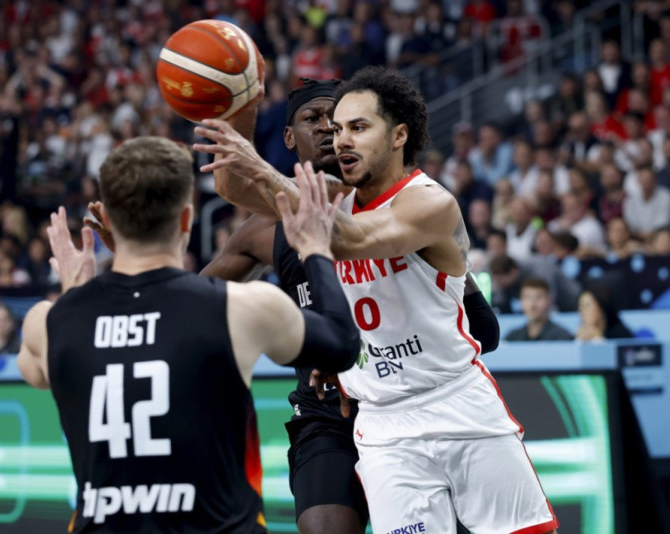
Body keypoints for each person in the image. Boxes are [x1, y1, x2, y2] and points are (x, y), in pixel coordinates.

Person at [87, 79, 499, 534]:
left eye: (338, 122)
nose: (327, 129)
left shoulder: (399, 205)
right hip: (327, 416)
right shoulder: (263, 229)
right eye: (313, 119)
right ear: (289, 137)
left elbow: (484, 328)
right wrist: (138, 254)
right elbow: (190, 298)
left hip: (409, 401)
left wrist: (382, 349)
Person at [194, 66, 558, 534]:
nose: (340, 139)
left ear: (398, 135)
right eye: (337, 129)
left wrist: (259, 166)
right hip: (382, 423)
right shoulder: (331, 195)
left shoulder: (430, 202)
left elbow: (351, 237)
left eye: (358, 127)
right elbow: (235, 187)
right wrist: (241, 106)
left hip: (455, 402)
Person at [17, 137, 360, 533]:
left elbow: (48, 369)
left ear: (107, 219)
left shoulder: (50, 323)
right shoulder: (238, 307)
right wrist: (315, 248)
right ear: (186, 219)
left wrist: (76, 291)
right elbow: (341, 343)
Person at [504, 278, 574, 341]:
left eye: (538, 297)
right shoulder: (512, 338)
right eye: (527, 297)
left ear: (549, 301)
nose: (532, 304)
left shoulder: (562, 337)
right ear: (521, 302)